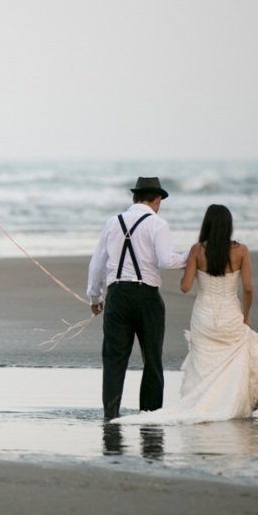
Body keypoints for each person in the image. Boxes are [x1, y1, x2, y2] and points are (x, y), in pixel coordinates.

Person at [113, 204, 258, 424]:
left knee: (205, 364)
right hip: (230, 314)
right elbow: (248, 288)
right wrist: (246, 316)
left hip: (203, 316)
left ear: (207, 224)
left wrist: (190, 267)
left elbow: (185, 287)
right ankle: (228, 404)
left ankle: (203, 403)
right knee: (232, 362)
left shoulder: (197, 250)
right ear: (228, 226)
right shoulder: (241, 251)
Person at [87, 176, 189, 421]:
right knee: (152, 359)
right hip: (146, 298)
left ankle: (111, 414)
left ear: (134, 198)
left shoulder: (113, 222)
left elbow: (97, 263)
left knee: (114, 359)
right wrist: (190, 256)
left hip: (117, 296)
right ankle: (150, 416)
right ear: (157, 201)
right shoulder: (158, 224)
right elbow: (166, 261)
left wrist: (94, 296)